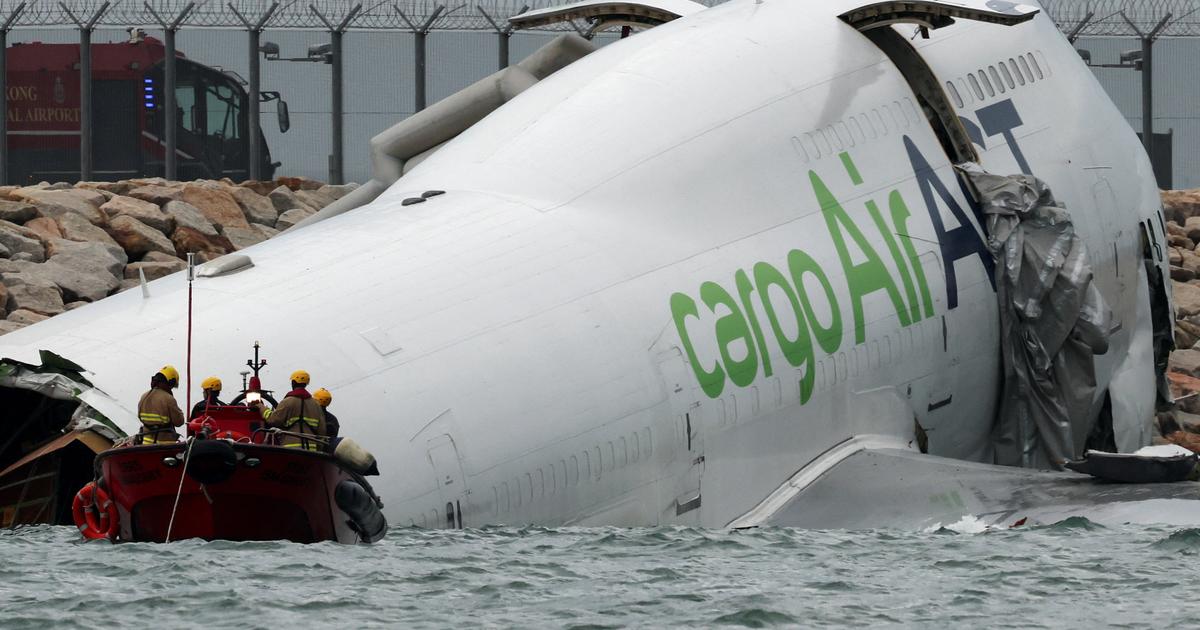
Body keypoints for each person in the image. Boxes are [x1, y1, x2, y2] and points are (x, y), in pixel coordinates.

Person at [254, 369, 325, 450]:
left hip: (291, 450)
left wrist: (261, 407)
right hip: (311, 452)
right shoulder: (316, 405)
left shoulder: (287, 402)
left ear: (293, 382)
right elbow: (322, 431)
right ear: (306, 383)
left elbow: (273, 420)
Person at [137, 365, 185, 444]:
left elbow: (140, 416)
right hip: (165, 445)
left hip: (146, 443)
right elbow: (179, 422)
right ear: (170, 382)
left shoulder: (144, 396)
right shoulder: (168, 399)